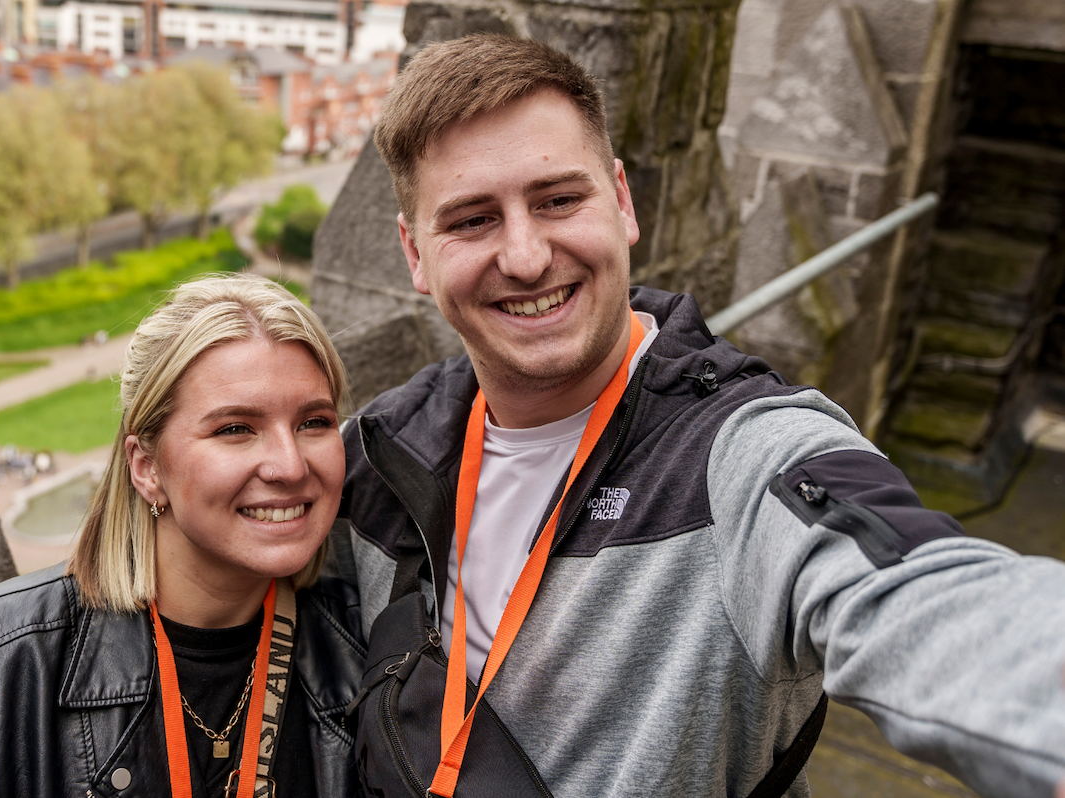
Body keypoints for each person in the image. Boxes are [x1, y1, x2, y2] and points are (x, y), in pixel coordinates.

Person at [328, 34, 1065, 798]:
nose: (524, 256)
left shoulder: (744, 457)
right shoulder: (377, 453)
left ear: (621, 201)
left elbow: (918, 591)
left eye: (557, 200)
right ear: (414, 254)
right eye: (471, 220)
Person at [0, 275, 365, 798]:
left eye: (314, 422)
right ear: (147, 468)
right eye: (235, 429)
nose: (290, 466)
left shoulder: (373, 645)